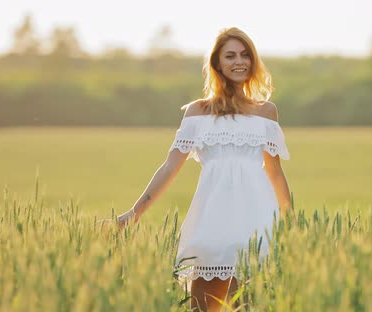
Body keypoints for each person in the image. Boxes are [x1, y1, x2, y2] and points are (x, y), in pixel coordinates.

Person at [101, 27, 292, 312]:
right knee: (203, 307)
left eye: (245, 55)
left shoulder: (266, 112)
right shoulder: (197, 112)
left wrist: (290, 221)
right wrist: (133, 213)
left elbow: (275, 172)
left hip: (256, 218)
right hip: (211, 217)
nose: (239, 61)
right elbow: (169, 167)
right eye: (230, 56)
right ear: (217, 64)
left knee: (250, 305)